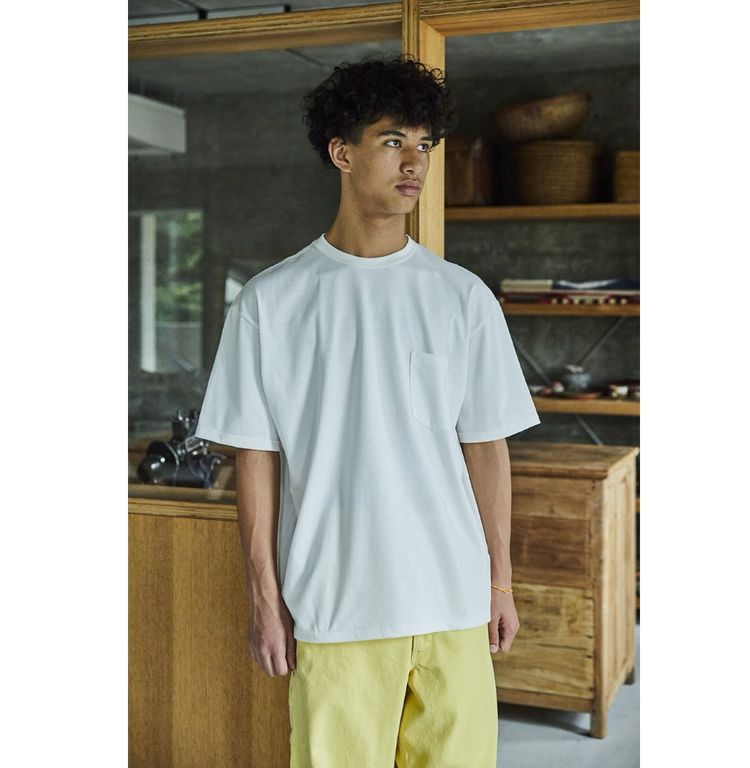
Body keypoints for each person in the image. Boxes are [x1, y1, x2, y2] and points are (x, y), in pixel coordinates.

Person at [195, 54, 541, 768]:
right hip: (336, 610)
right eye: (392, 141)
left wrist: (500, 582)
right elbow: (254, 458)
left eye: (425, 144)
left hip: (453, 606)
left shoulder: (462, 298)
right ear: (342, 152)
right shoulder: (270, 302)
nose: (415, 163)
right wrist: (265, 601)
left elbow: (486, 447)